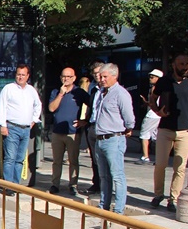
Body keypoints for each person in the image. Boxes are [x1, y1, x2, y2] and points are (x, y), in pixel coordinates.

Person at [150, 54, 188, 213]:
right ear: (174, 65)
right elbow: (153, 98)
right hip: (166, 128)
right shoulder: (164, 81)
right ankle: (158, 194)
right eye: (181, 64)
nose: (184, 66)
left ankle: (174, 198)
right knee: (160, 164)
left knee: (180, 167)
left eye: (186, 63)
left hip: (185, 130)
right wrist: (157, 111)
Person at [92, 63, 135, 215]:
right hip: (100, 138)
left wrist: (129, 128)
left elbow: (129, 116)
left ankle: (118, 209)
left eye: (105, 77)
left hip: (114, 138)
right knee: (103, 175)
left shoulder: (120, 93)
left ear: (114, 76)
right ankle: (104, 205)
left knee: (117, 175)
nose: (102, 79)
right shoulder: (102, 93)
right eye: (100, 77)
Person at [0, 64, 42, 192]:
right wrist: (3, 125)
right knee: (10, 158)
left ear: (27, 76)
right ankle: (8, 186)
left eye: (23, 75)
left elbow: (38, 105)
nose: (20, 77)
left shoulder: (31, 90)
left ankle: (16, 185)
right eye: (18, 74)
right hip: (12, 127)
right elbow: (1, 106)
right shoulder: (8, 88)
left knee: (20, 159)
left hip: (26, 129)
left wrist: (33, 120)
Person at [48, 67, 89, 195]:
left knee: (73, 160)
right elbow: (51, 108)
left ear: (74, 78)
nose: (66, 79)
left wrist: (84, 121)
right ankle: (55, 184)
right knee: (57, 161)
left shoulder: (79, 93)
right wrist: (61, 94)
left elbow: (92, 105)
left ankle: (73, 184)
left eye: (69, 77)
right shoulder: (56, 92)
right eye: (64, 76)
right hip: (57, 132)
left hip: (73, 132)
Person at [81, 61, 104, 195]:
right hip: (92, 125)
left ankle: (105, 185)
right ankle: (96, 183)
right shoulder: (93, 89)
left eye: (99, 73)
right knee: (94, 157)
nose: (97, 76)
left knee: (104, 157)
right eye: (94, 73)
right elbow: (91, 106)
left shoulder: (109, 89)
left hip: (105, 128)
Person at [139, 69, 163, 163]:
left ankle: (145, 156)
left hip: (152, 114)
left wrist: (145, 102)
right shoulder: (163, 89)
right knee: (156, 136)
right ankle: (159, 157)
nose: (150, 78)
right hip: (158, 115)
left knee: (144, 134)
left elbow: (153, 103)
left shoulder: (154, 89)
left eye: (152, 77)